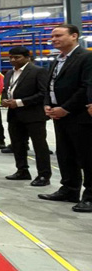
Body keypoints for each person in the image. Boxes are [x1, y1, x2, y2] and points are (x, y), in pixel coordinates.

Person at [38, 24, 92, 212]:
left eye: (58, 35)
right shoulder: (57, 59)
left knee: (87, 157)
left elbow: (86, 87)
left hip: (80, 116)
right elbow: (50, 86)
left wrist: (66, 108)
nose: (53, 39)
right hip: (59, 115)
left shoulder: (86, 57)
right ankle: (69, 189)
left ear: (74, 36)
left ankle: (90, 196)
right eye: (52, 36)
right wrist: (48, 104)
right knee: (65, 154)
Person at [1, 46, 51, 186]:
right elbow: (7, 90)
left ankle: (44, 175)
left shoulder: (38, 71)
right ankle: (22, 170)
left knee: (39, 146)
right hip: (14, 115)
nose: (13, 60)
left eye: (17, 57)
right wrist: (4, 99)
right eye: (11, 57)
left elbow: (43, 93)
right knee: (18, 145)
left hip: (34, 115)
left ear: (27, 58)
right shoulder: (9, 73)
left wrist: (19, 102)